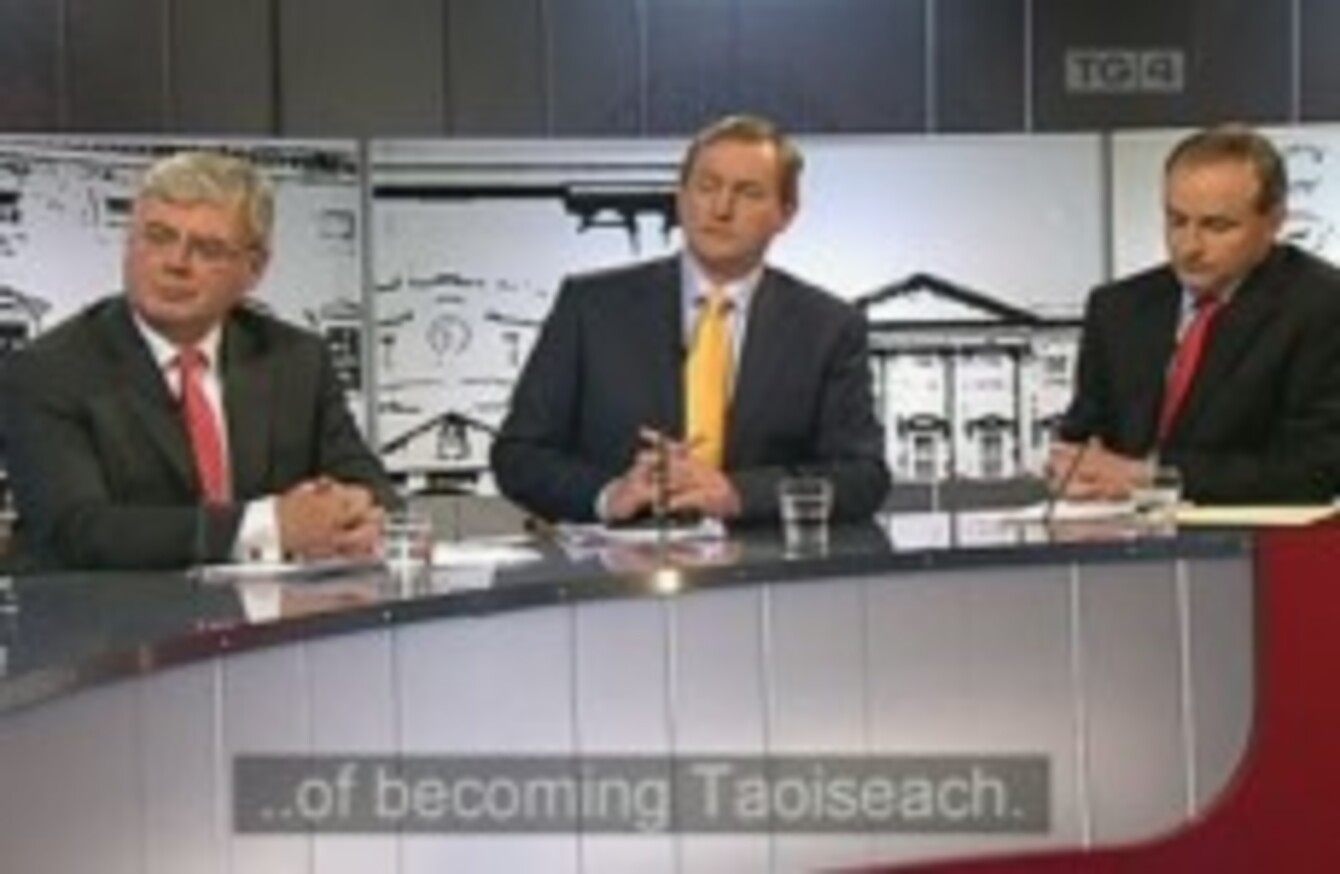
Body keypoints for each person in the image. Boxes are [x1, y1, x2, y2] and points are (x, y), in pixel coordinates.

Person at [0, 150, 395, 570]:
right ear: (129, 243)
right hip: (110, 611)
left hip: (276, 610)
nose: (176, 263)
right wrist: (269, 527)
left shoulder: (297, 360)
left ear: (255, 268)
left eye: (207, 249)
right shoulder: (47, 371)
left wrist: (355, 516)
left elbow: (368, 486)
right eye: (158, 237)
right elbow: (77, 531)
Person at [491, 114, 890, 524]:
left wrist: (737, 495)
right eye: (707, 187)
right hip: (616, 559)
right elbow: (518, 455)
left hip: (759, 562)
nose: (721, 209)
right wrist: (610, 495)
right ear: (681, 197)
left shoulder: (828, 327)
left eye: (748, 193)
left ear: (786, 213)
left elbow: (862, 477)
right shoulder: (589, 307)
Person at [1050, 123, 1340, 504]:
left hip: (1251, 537)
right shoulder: (1117, 309)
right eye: (1176, 221)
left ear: (1274, 222)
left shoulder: (1321, 306)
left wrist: (1154, 478)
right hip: (1117, 533)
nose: (1189, 246)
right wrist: (1071, 470)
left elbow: (1314, 470)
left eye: (1216, 226)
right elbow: (1081, 438)